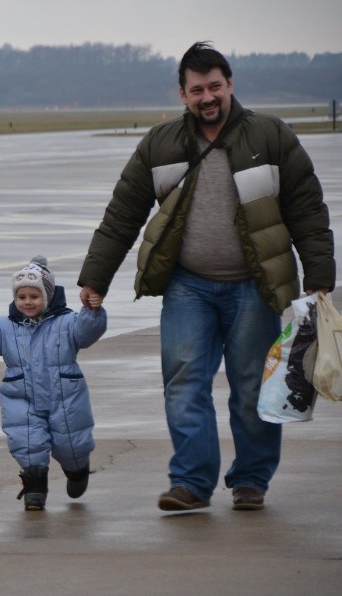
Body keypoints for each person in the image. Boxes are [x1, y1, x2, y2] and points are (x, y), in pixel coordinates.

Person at [78, 42, 335, 512]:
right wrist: (96, 277)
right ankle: (192, 483)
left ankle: (251, 481)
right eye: (197, 89)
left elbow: (307, 209)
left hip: (254, 287)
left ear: (230, 85)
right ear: (182, 95)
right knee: (183, 382)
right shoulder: (160, 144)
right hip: (187, 285)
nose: (207, 97)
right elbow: (121, 216)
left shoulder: (271, 136)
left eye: (215, 86)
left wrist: (319, 274)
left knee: (253, 387)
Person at [0, 256, 107, 510]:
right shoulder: (7, 327)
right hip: (21, 395)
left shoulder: (66, 322)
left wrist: (92, 311)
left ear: (47, 296)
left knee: (71, 442)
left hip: (65, 395)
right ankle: (34, 487)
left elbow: (87, 331)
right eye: (22, 297)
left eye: (34, 296)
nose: (27, 302)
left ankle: (77, 469)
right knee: (26, 441)